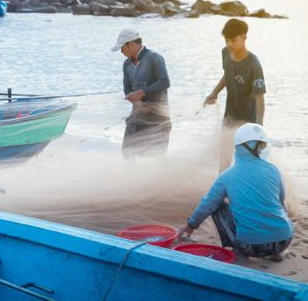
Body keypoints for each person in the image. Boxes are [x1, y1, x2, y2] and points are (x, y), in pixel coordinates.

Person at [177, 123, 294, 262]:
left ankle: (239, 251)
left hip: (250, 246)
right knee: (276, 205)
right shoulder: (273, 170)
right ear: (251, 147)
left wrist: (190, 226)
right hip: (284, 240)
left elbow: (207, 204)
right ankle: (276, 253)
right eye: (262, 145)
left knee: (218, 206)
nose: (265, 148)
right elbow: (281, 201)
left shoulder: (228, 175)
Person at [204, 18, 266, 170]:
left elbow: (259, 98)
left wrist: (259, 127)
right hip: (230, 114)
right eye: (226, 40)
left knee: (247, 161)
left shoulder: (253, 63)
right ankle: (222, 187)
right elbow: (227, 74)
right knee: (224, 156)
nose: (229, 45)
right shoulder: (225, 53)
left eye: (233, 40)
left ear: (244, 36)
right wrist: (215, 92)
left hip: (248, 119)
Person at [112, 28, 171, 158]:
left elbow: (165, 82)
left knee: (157, 155)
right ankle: (131, 176)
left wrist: (143, 92)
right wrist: (139, 104)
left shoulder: (155, 58)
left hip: (158, 116)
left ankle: (162, 177)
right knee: (127, 151)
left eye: (122, 48)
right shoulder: (126, 64)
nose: (121, 51)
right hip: (137, 114)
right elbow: (127, 89)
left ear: (131, 44)